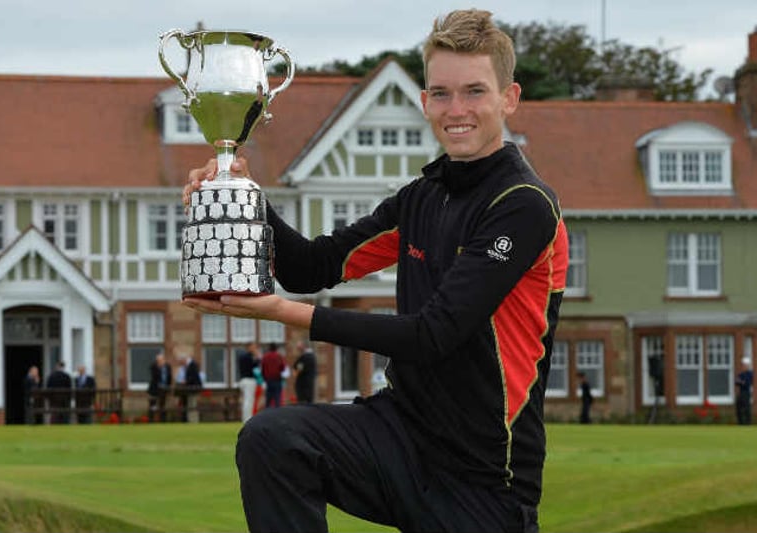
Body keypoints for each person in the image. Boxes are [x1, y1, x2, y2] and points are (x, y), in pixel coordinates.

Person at [182, 10, 566, 532]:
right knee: (273, 440)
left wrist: (282, 314)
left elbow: (435, 334)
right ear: (424, 101)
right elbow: (310, 266)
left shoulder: (524, 205)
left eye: (475, 91)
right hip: (401, 438)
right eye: (441, 93)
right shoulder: (421, 198)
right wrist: (242, 193)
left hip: (484, 481)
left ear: (510, 98)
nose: (457, 110)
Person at [234, 342, 261, 422]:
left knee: (246, 399)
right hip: (249, 380)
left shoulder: (241, 357)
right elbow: (255, 367)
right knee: (249, 400)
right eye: (254, 347)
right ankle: (247, 418)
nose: (255, 349)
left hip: (242, 380)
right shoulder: (249, 357)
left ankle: (245, 417)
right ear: (249, 347)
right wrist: (258, 358)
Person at [147, 352, 172, 422]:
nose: (159, 362)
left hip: (164, 389)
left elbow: (169, 377)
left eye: (160, 360)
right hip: (154, 389)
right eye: (158, 360)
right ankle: (151, 420)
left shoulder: (168, 367)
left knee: (162, 405)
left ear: (164, 360)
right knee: (153, 405)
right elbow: (154, 377)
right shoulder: (154, 366)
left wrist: (168, 388)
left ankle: (163, 420)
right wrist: (159, 368)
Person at [260, 343, 286, 409]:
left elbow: (262, 368)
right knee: (277, 398)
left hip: (268, 380)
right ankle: (277, 414)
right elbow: (283, 367)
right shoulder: (279, 356)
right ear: (276, 348)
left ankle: (266, 413)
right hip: (277, 379)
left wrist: (264, 378)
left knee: (268, 399)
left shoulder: (265, 357)